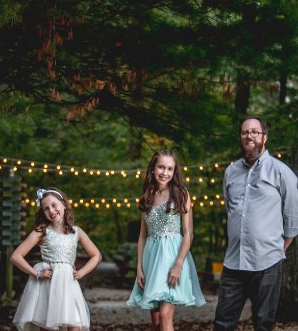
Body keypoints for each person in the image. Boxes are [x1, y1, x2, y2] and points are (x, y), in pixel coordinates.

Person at [214, 117, 298, 331]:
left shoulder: (281, 171)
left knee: (263, 324)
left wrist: (278, 249)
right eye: (244, 132)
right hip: (233, 262)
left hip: (267, 263)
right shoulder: (230, 172)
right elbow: (231, 210)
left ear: (264, 137)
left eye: (254, 132)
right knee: (222, 323)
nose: (249, 136)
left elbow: (292, 217)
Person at [127, 148, 206, 331]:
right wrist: (139, 267)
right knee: (156, 322)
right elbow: (142, 236)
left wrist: (178, 264)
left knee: (165, 316)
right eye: (161, 167)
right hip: (151, 260)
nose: (165, 172)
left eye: (170, 169)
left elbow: (189, 233)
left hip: (172, 258)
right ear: (153, 168)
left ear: (174, 171)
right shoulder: (148, 196)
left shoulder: (181, 194)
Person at [11, 187, 102, 331]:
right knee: (48, 326)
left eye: (54, 205)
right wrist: (36, 273)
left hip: (68, 285)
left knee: (76, 326)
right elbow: (16, 256)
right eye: (46, 208)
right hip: (48, 285)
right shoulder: (41, 231)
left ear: (64, 204)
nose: (51, 211)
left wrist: (81, 273)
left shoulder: (76, 232)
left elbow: (96, 255)